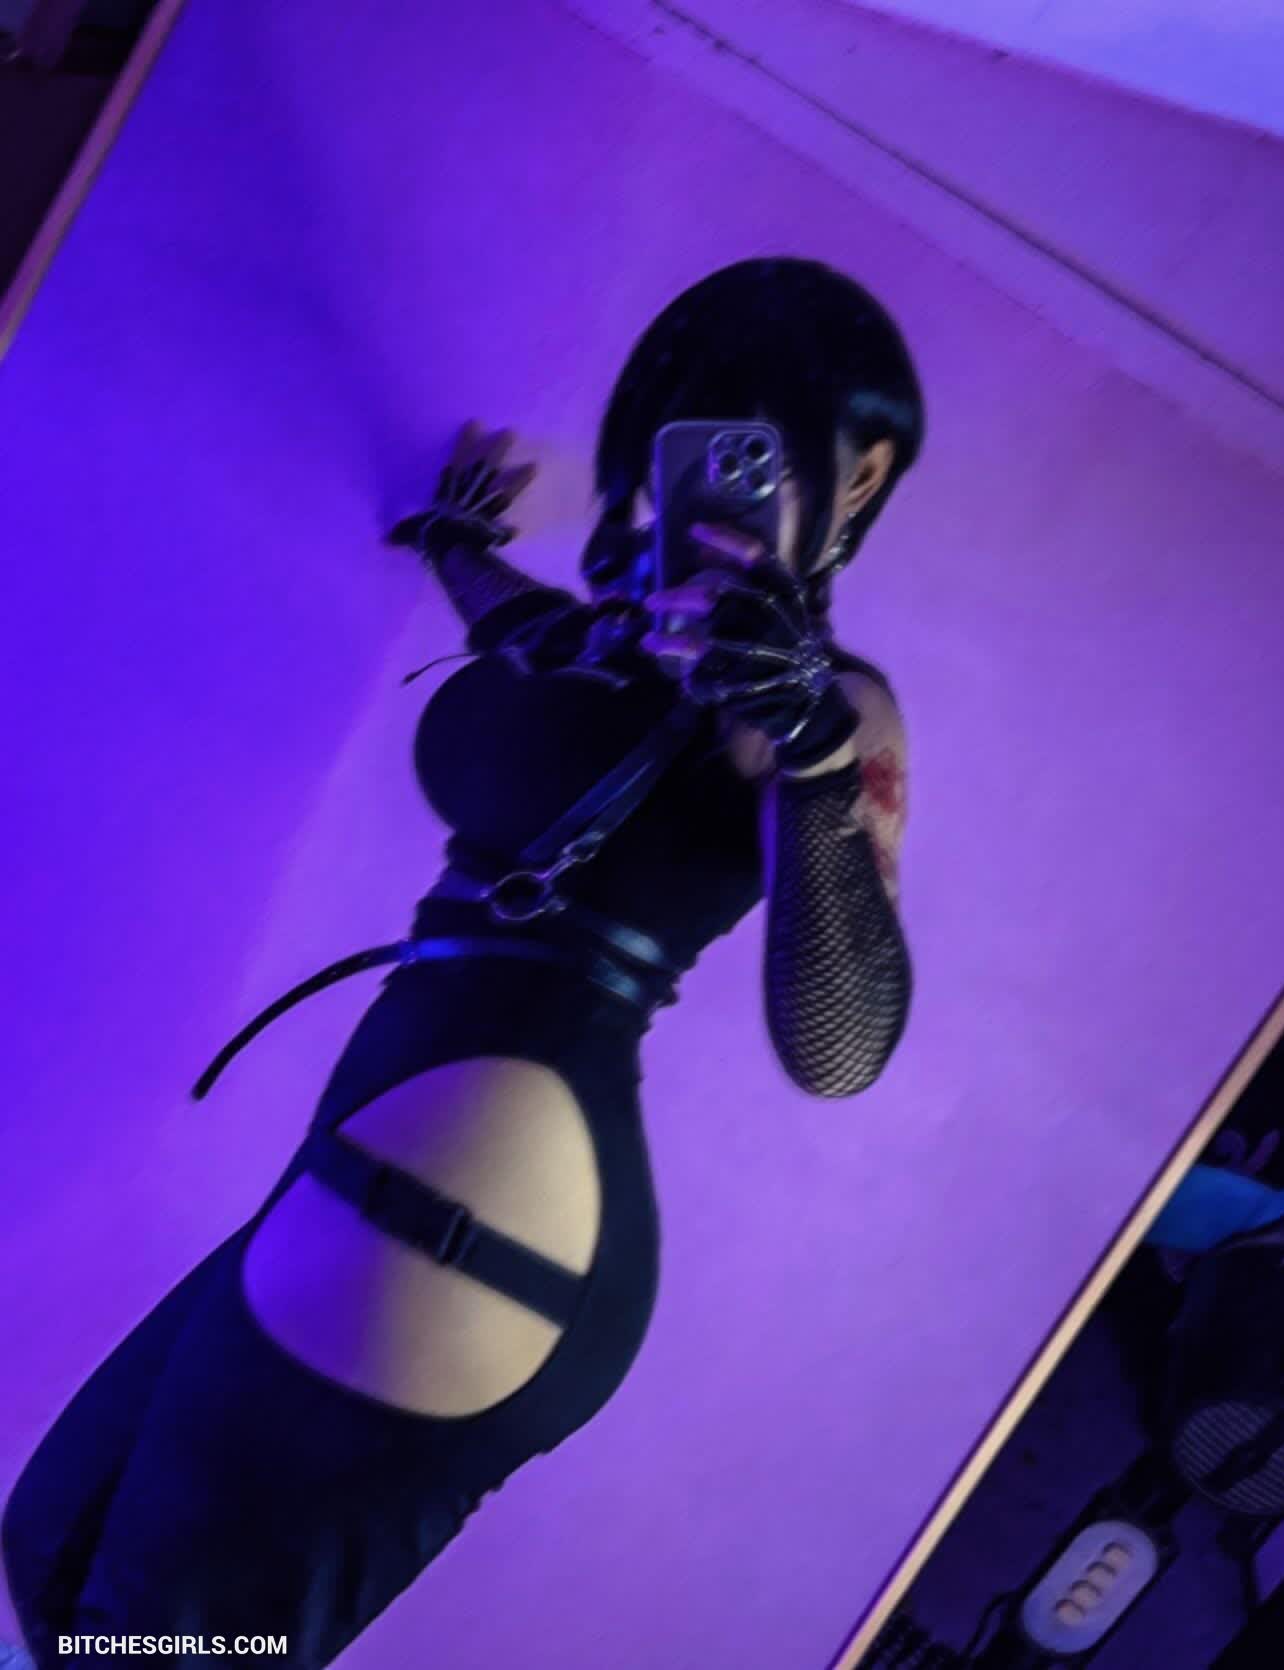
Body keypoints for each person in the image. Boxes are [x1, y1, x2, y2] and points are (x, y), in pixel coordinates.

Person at [2, 256, 925, 1668]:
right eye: (686, 429)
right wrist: (451, 536)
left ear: (861, 478)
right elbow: (499, 610)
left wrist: (806, 748)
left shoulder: (830, 704)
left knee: (156, 1649)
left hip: (476, 1211)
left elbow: (841, 1047)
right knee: (51, 1559)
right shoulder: (595, 642)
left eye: (772, 442)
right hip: (375, 1179)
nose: (716, 478)